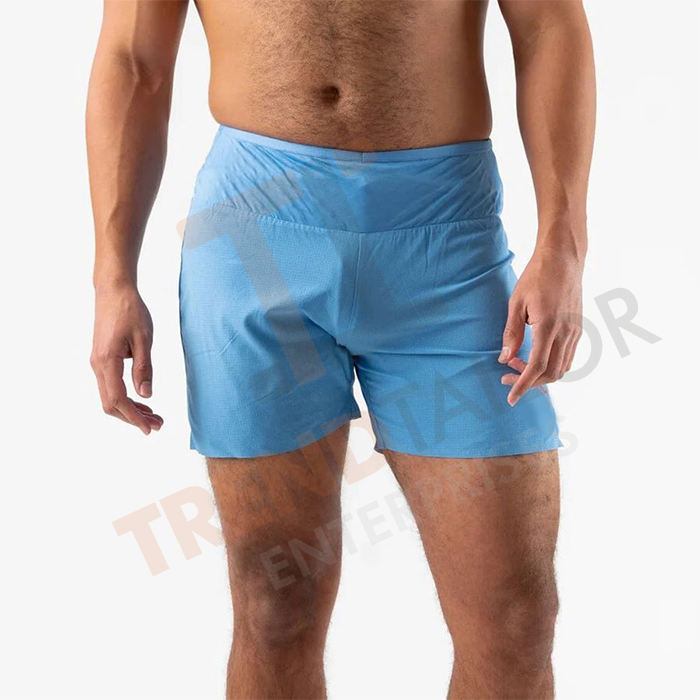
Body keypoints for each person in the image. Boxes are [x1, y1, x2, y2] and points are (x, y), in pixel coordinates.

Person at [87, 0, 594, 697]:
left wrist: (564, 242)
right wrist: (112, 276)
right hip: (256, 234)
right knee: (275, 602)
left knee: (516, 617)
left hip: (444, 238)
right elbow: (133, 61)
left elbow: (548, 23)